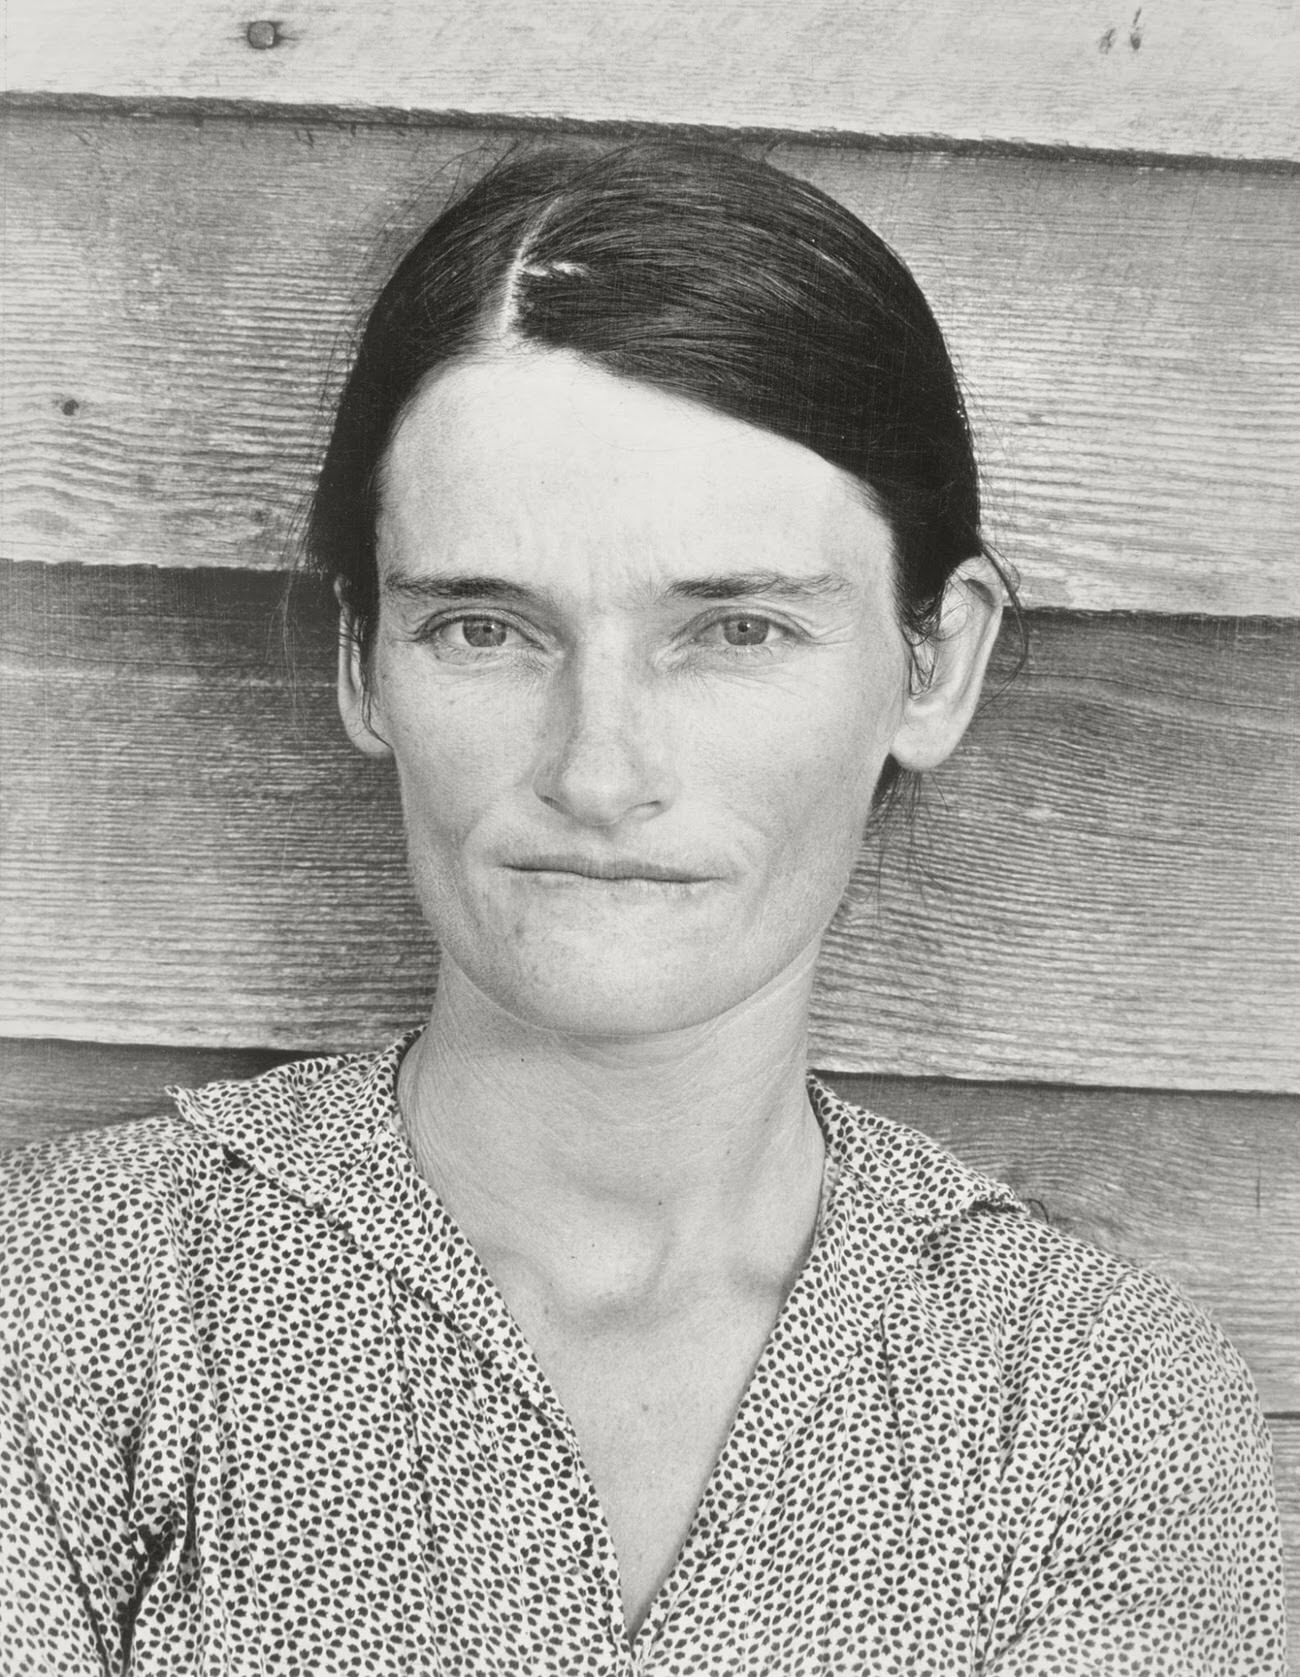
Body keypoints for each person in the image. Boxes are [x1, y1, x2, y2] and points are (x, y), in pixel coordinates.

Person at [0, 142, 1285, 1675]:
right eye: (485, 625)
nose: (599, 769)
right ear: (364, 662)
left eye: (733, 628)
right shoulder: (71, 1306)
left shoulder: (1086, 1410)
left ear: (935, 663)